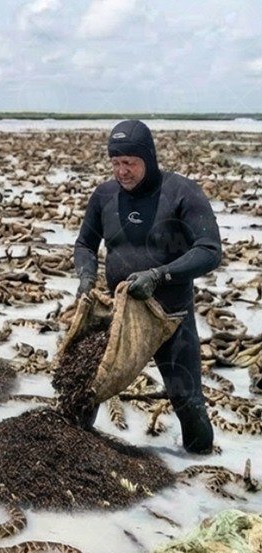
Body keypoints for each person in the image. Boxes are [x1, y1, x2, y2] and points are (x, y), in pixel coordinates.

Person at [73, 119, 222, 454]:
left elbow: (210, 250)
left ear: (149, 159)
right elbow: (85, 244)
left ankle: (197, 479)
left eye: (130, 163)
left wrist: (158, 276)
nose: (122, 171)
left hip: (169, 316)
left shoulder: (181, 192)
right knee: (84, 389)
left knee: (187, 399)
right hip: (119, 316)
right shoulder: (104, 196)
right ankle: (75, 466)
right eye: (115, 163)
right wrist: (85, 277)